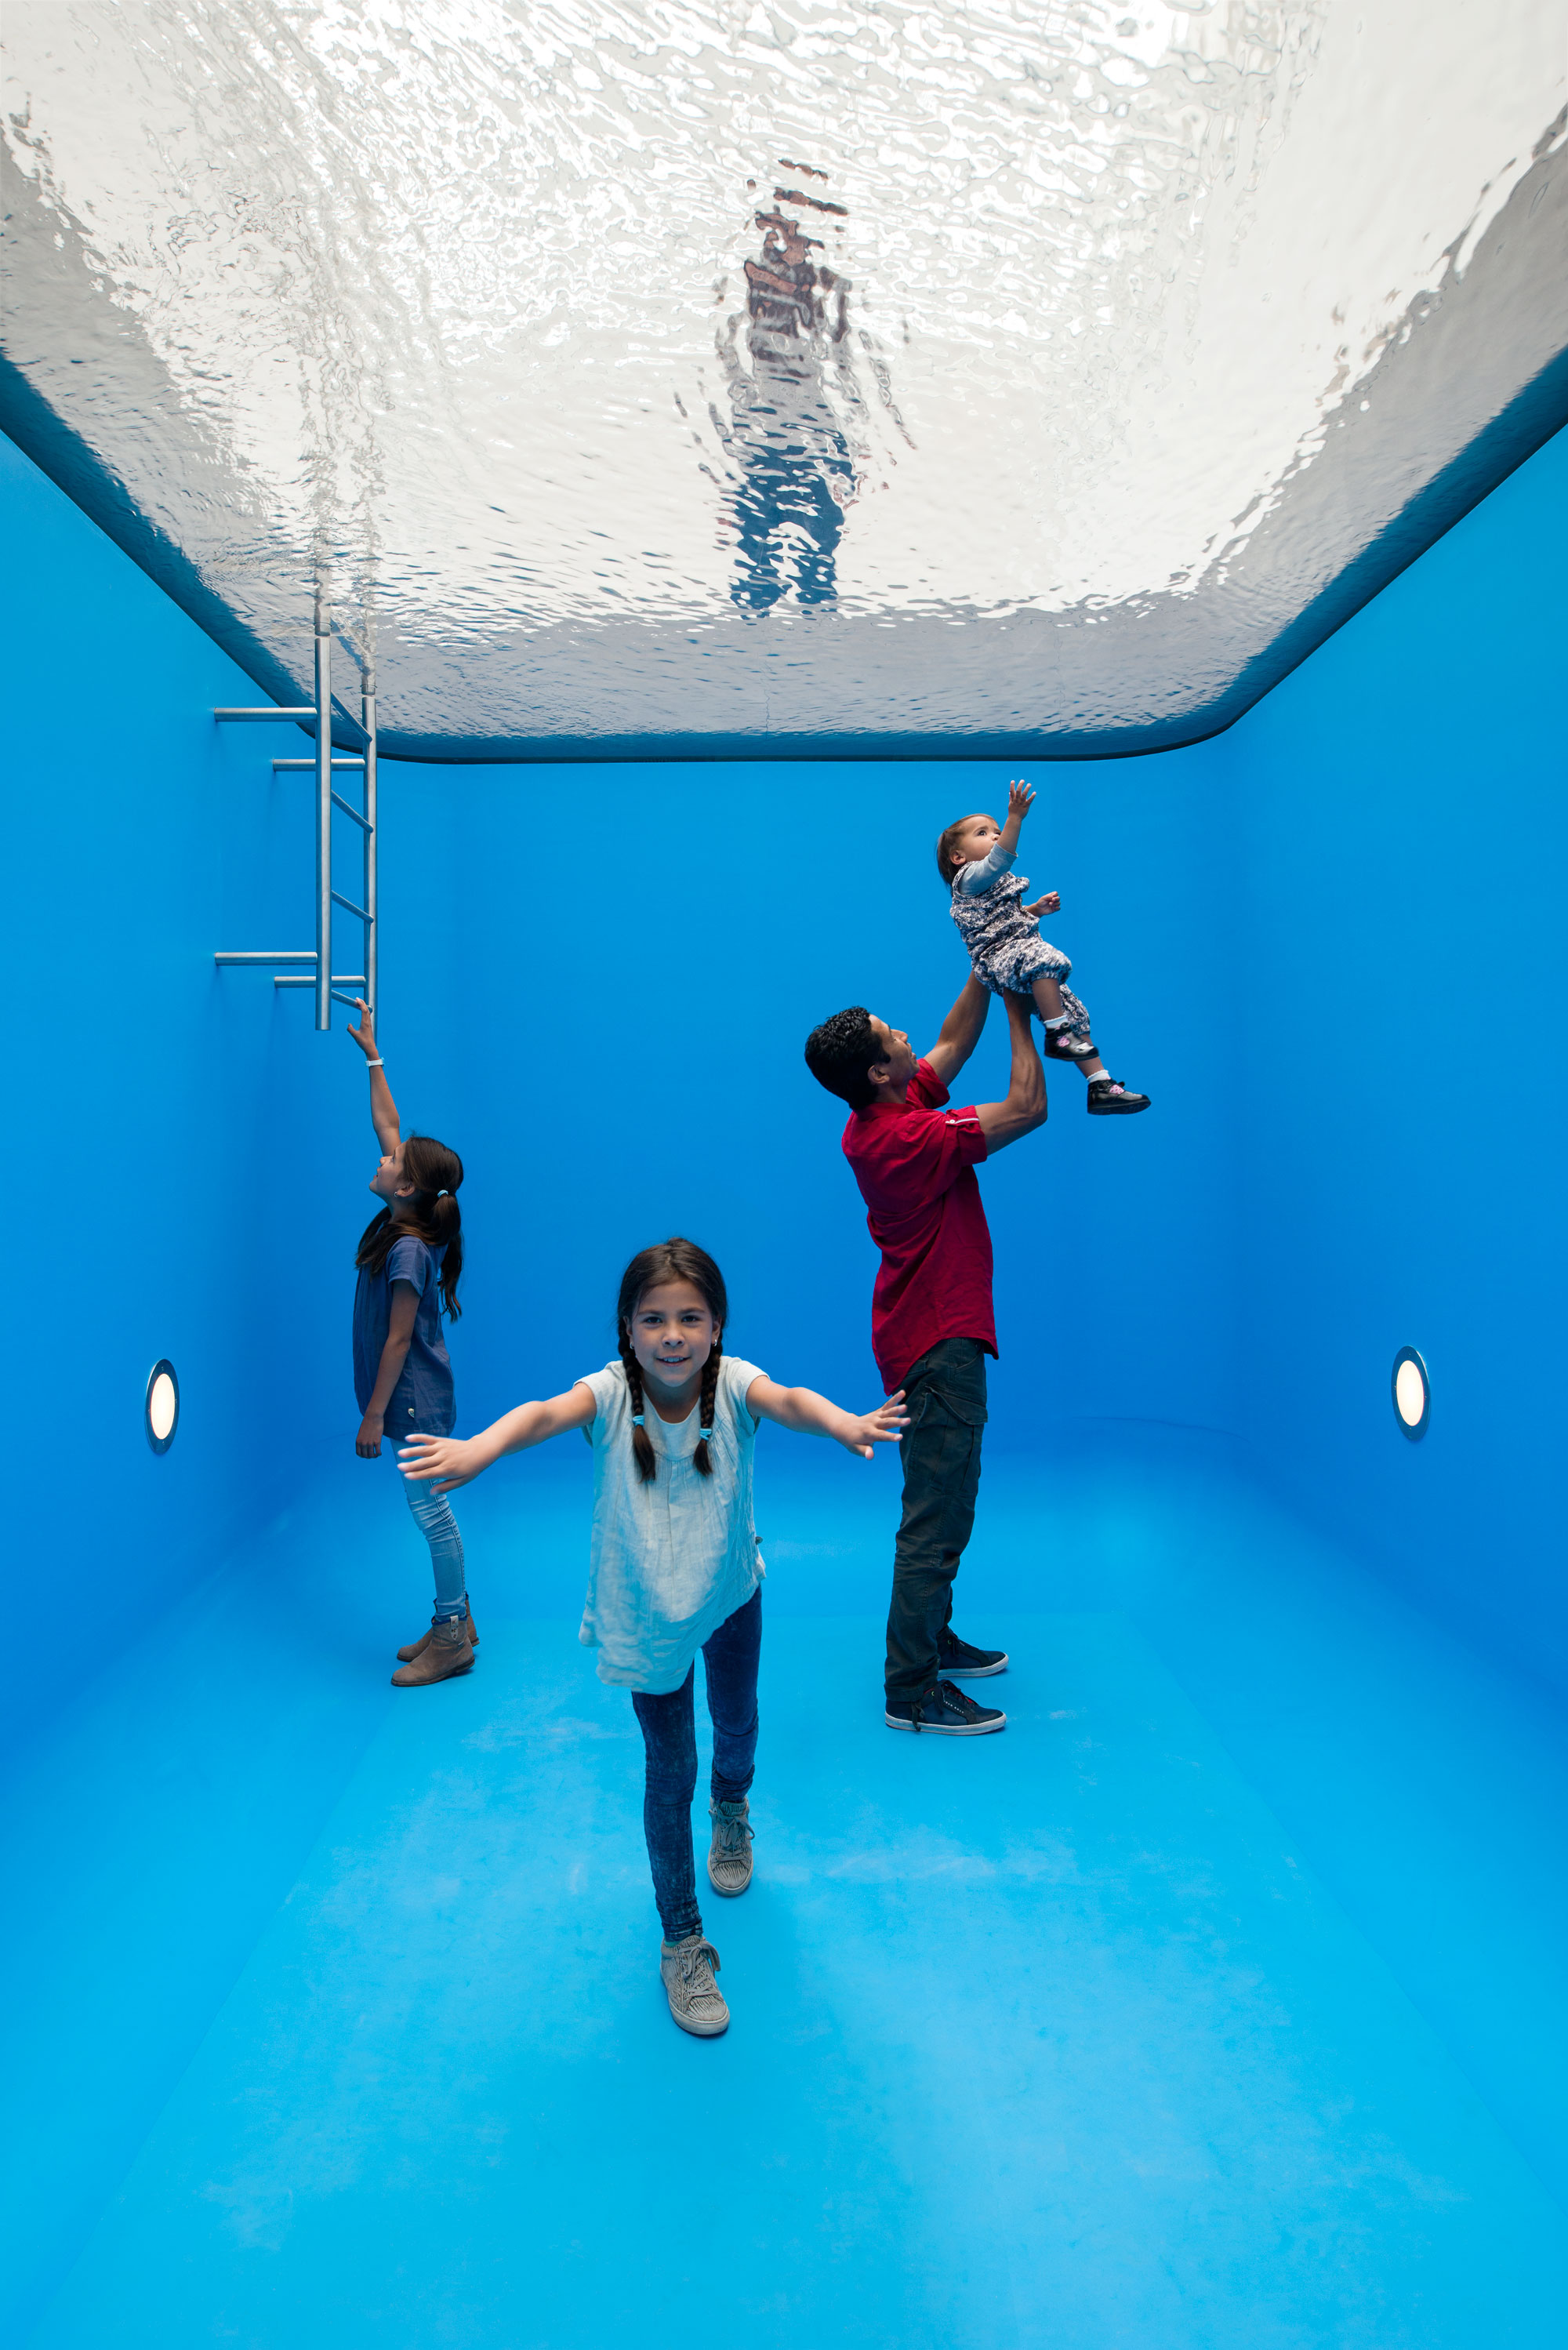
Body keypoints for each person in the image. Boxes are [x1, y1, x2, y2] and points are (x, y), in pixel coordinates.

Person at [399, 1237, 907, 2039]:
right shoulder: (608, 1394)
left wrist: (845, 1422)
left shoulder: (734, 1384)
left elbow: (792, 1399)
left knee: (735, 1724)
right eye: (654, 1319)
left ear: (716, 1327)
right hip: (647, 1611)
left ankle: (732, 1807)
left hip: (731, 1591)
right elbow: (539, 1415)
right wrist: (479, 1449)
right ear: (627, 1331)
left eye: (690, 1319)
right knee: (668, 1771)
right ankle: (680, 1941)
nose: (672, 1334)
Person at [804, 980, 1049, 1735]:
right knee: (935, 1515)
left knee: (948, 1500)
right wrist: (1020, 1002)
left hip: (927, 1331)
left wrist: (987, 963)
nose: (905, 1032)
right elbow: (1029, 1106)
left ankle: (931, 1637)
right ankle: (909, 1689)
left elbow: (951, 1042)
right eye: (890, 1033)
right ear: (879, 1071)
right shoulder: (905, 1139)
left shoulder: (888, 1105)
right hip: (937, 1341)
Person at [346, 1000, 473, 1688]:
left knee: (428, 1507)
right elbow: (388, 1122)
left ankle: (453, 1631)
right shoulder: (406, 1225)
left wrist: (372, 1413)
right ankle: (458, 1616)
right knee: (427, 1506)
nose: (386, 1153)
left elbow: (399, 1339)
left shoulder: (407, 1254)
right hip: (415, 1397)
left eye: (395, 1161)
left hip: (413, 1400)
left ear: (408, 1190)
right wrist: (372, 1053)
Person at [938, 778, 1150, 1114]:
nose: (994, 835)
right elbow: (999, 860)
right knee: (1046, 957)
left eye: (995, 829)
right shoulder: (968, 878)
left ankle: (1100, 1084)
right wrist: (1015, 817)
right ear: (958, 856)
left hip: (1017, 953)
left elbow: (1004, 918)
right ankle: (1056, 1034)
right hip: (997, 959)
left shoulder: (991, 886)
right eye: (983, 833)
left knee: (1073, 1009)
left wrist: (1035, 910)